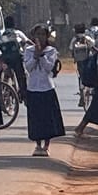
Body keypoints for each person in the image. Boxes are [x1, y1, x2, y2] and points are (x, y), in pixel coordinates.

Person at [22, 25, 65, 157]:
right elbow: (29, 67)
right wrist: (35, 55)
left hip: (47, 87)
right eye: (37, 34)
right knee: (36, 118)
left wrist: (42, 55)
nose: (40, 37)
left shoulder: (51, 51)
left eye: (42, 34)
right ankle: (37, 145)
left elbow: (48, 67)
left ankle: (46, 145)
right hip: (33, 87)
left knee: (48, 118)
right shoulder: (28, 50)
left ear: (46, 37)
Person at [0, 16, 30, 98]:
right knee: (21, 77)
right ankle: (24, 94)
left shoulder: (2, 34)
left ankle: (5, 93)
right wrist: (35, 45)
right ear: (14, 24)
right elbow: (27, 41)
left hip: (6, 59)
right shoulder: (18, 33)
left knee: (6, 76)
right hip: (17, 58)